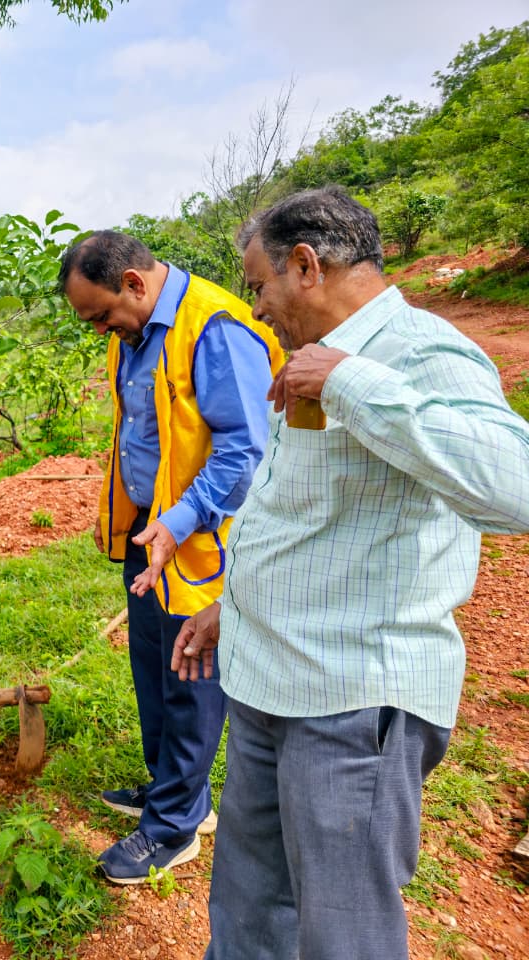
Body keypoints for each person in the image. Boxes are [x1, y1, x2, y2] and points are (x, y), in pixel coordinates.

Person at [172, 186, 529, 960]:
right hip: (269, 685)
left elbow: (514, 486)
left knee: (343, 934)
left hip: (349, 705)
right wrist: (234, 606)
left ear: (305, 266)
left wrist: (350, 384)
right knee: (249, 907)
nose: (257, 306)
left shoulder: (416, 351)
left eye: (259, 285)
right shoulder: (306, 361)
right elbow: (301, 517)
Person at [58, 231, 282, 883]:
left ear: (133, 283)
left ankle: (175, 828)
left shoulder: (212, 328)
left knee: (190, 677)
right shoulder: (133, 334)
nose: (100, 329)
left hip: (203, 541)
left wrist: (180, 521)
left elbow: (244, 450)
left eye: (100, 314)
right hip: (151, 537)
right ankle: (173, 789)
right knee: (155, 667)